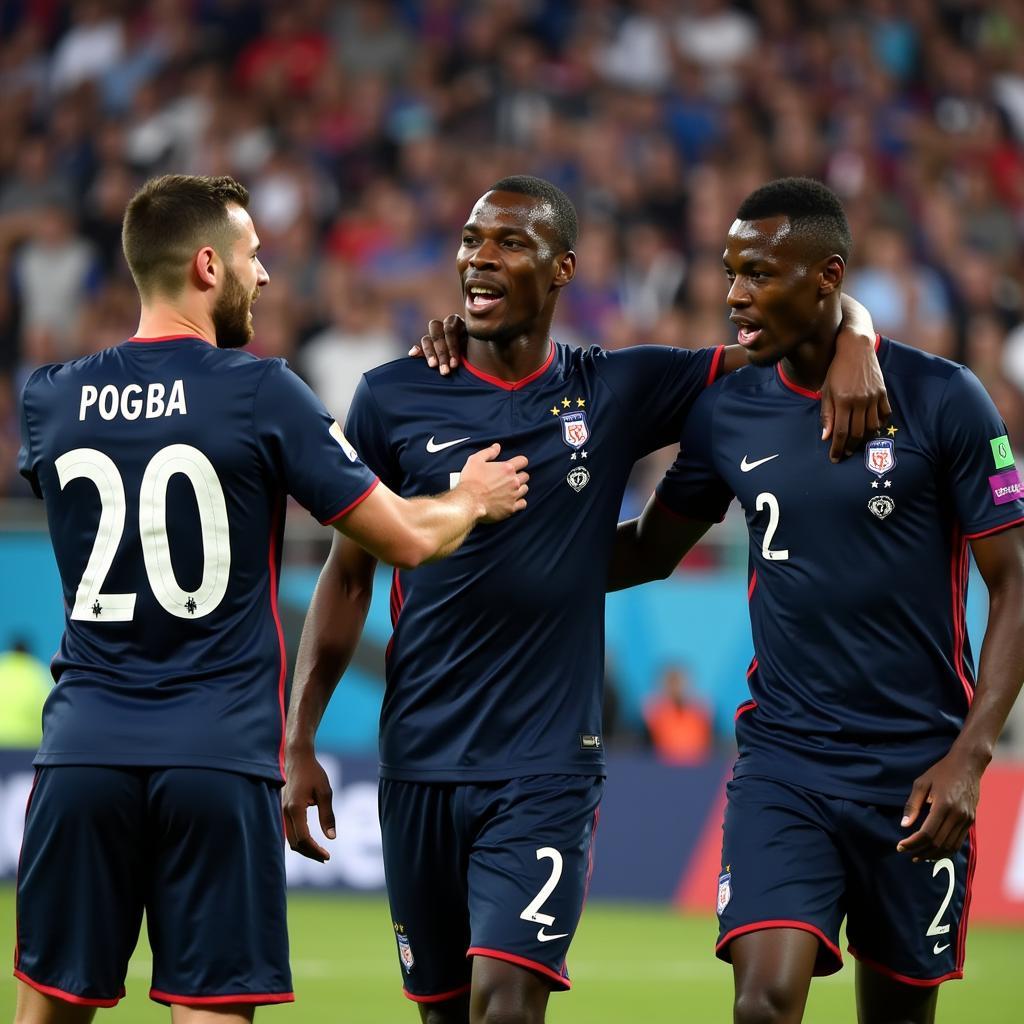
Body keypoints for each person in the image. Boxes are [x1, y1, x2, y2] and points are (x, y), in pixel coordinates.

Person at [283, 174, 888, 1024]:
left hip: (546, 767)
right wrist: (300, 738)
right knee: (444, 1013)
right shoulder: (393, 394)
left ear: (563, 268)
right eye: (470, 241)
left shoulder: (614, 390)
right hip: (417, 762)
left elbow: (783, 327)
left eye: (509, 244)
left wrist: (860, 332)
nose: (479, 261)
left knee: (507, 1009)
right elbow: (348, 577)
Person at [14, 173, 528, 1024]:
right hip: (215, 757)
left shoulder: (49, 397)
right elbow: (401, 537)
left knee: (49, 1011)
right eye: (254, 257)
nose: (267, 276)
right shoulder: (260, 391)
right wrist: (471, 496)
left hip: (82, 756)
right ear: (207, 266)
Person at [609, 177, 1024, 1024]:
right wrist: (497, 555)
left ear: (827, 276)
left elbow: (1015, 580)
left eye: (757, 273)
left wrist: (971, 757)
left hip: (917, 771)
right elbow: (651, 549)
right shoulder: (726, 409)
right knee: (762, 1003)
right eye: (729, 272)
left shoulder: (945, 398)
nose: (732, 295)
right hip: (784, 763)